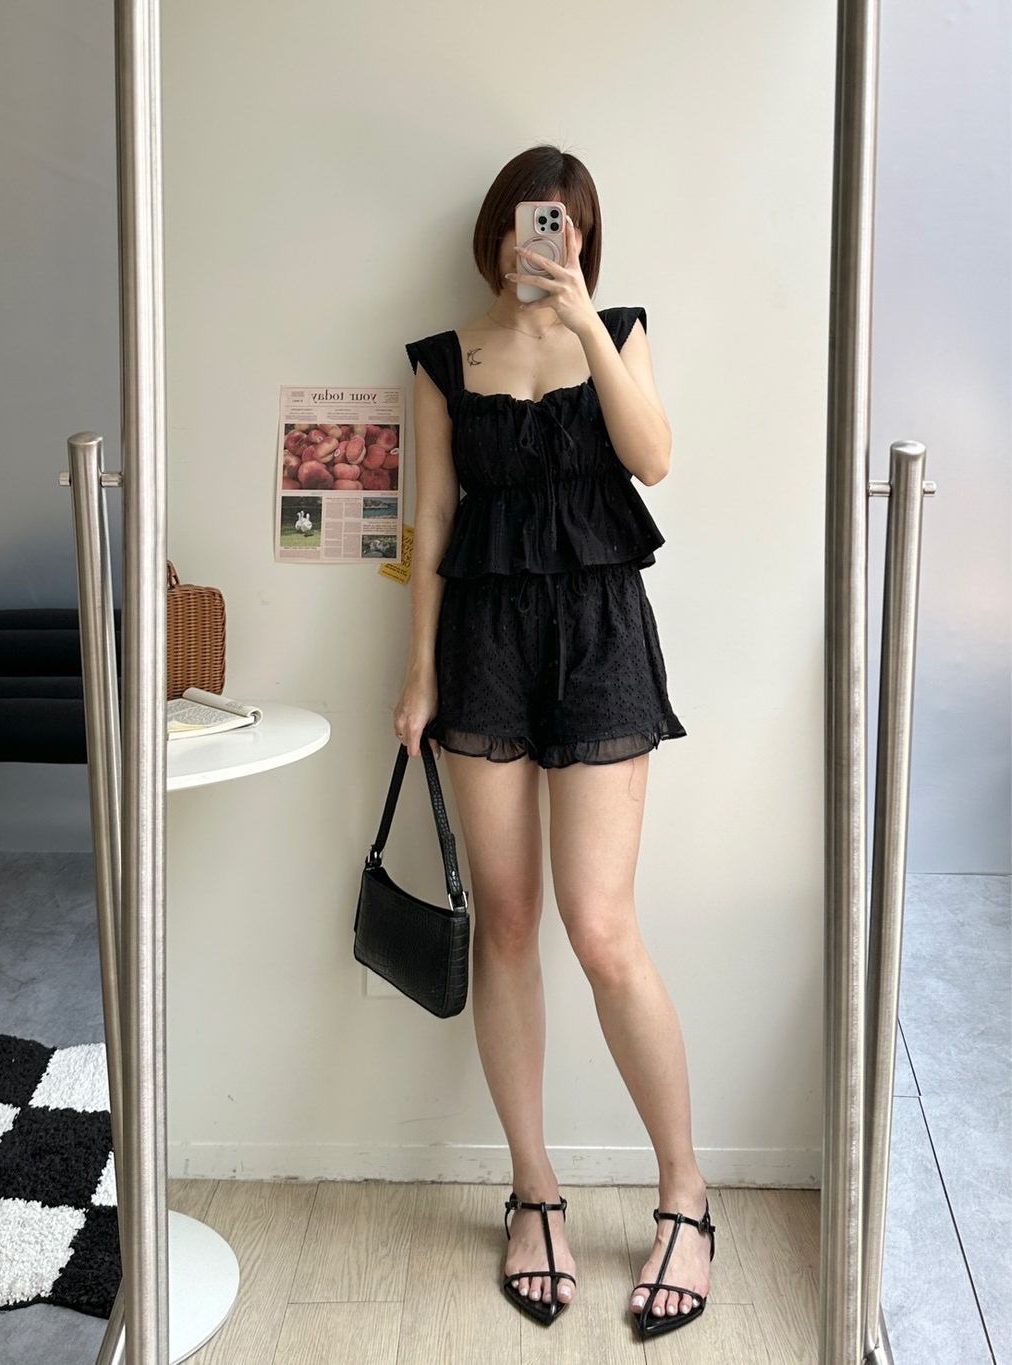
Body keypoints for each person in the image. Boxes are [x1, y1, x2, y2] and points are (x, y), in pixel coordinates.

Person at [395, 144, 714, 1339]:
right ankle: (533, 1192)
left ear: (583, 240)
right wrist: (418, 671)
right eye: (530, 223)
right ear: (496, 231)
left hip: (601, 634)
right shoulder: (442, 359)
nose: (543, 242)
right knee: (509, 921)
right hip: (481, 641)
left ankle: (685, 1193)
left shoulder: (615, 331)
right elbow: (430, 517)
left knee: (602, 928)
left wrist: (581, 322)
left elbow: (654, 459)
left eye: (564, 227)